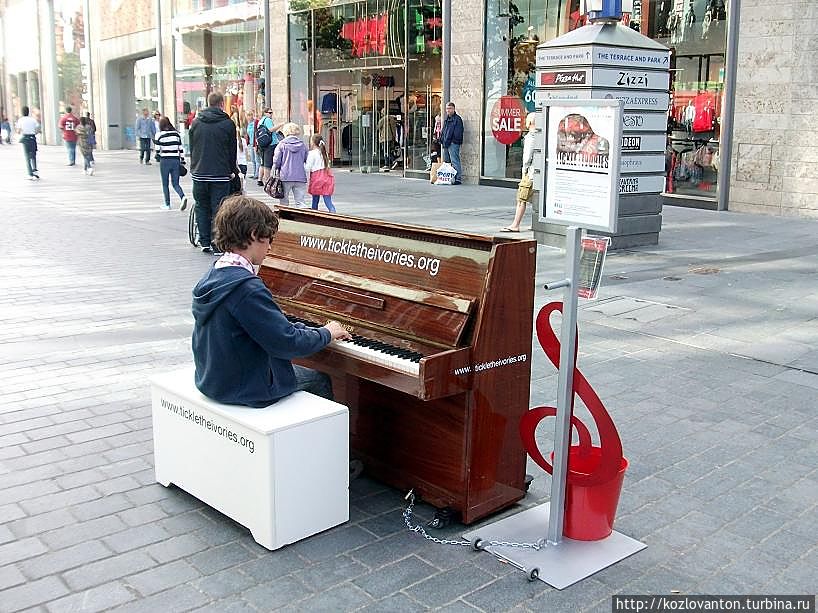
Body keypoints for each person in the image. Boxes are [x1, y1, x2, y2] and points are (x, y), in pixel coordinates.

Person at [192, 195, 352, 406]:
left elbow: (275, 327)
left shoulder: (217, 273)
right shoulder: (246, 287)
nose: (270, 248)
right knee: (319, 379)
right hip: (242, 387)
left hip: (213, 378)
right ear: (253, 234)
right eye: (269, 239)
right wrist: (326, 333)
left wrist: (308, 330)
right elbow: (286, 343)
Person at [189, 91, 238, 254]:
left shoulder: (196, 122)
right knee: (219, 208)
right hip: (220, 174)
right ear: (222, 104)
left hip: (199, 172)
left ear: (208, 103)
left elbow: (192, 147)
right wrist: (232, 171)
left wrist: (194, 166)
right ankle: (217, 243)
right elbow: (232, 150)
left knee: (201, 206)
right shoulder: (228, 124)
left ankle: (204, 241)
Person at [502, 112, 537, 233]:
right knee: (535, 199)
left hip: (530, 173)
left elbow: (527, 158)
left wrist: (524, 171)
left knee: (521, 198)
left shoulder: (530, 137)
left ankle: (515, 224)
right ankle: (535, 224)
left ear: (530, 122)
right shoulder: (541, 135)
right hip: (537, 173)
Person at [154, 116, 189, 211]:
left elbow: (157, 150)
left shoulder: (159, 135)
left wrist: (157, 156)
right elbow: (181, 149)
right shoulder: (176, 134)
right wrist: (182, 160)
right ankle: (183, 197)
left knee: (165, 184)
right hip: (175, 161)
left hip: (165, 161)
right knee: (175, 183)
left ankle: (167, 204)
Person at [273, 122, 309, 207]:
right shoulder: (302, 145)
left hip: (285, 176)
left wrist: (275, 169)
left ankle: (285, 217)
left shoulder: (281, 145)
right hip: (300, 176)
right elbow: (307, 159)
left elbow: (276, 160)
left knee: (284, 201)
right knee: (300, 202)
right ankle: (302, 218)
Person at [306, 134, 336, 213]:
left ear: (312, 142)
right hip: (327, 176)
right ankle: (333, 213)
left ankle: (314, 215)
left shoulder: (312, 153)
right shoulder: (324, 153)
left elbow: (308, 167)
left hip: (316, 177)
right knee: (328, 200)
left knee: (315, 200)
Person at [257, 108, 283, 187]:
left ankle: (260, 179)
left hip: (263, 144)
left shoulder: (261, 121)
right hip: (270, 144)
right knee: (267, 165)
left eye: (272, 113)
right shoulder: (268, 120)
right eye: (269, 113)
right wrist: (280, 125)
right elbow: (271, 129)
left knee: (263, 163)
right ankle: (267, 181)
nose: (271, 114)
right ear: (265, 113)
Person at [440, 101, 464, 184]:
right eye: (447, 109)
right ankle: (449, 178)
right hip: (446, 143)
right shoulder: (447, 119)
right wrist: (442, 140)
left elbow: (458, 133)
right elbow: (444, 131)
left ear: (454, 109)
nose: (448, 110)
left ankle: (458, 179)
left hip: (453, 143)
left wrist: (453, 142)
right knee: (447, 162)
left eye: (450, 108)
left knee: (455, 161)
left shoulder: (457, 119)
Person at [16, 106, 40, 180]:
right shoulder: (33, 120)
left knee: (27, 157)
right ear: (28, 111)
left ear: (22, 112)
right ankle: (35, 170)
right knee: (33, 155)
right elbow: (37, 129)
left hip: (25, 138)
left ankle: (30, 174)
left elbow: (18, 131)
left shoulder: (20, 120)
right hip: (32, 138)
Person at [245, 109, 259, 180]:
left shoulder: (256, 122)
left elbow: (257, 134)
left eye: (250, 115)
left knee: (257, 160)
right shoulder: (248, 124)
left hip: (255, 144)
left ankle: (257, 174)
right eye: (247, 115)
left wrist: (256, 144)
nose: (249, 117)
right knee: (253, 160)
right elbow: (248, 134)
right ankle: (254, 173)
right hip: (251, 144)